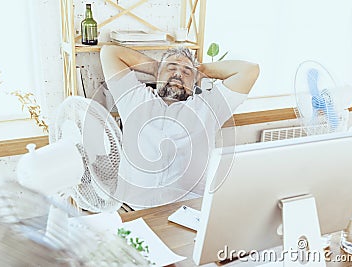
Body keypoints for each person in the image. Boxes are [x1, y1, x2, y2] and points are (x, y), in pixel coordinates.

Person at [100, 45, 259, 208]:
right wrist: (156, 67)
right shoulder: (134, 99)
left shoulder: (208, 108)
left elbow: (249, 71)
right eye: (171, 68)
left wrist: (201, 70)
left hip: (187, 210)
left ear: (195, 81)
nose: (178, 74)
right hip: (133, 208)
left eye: (186, 72)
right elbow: (109, 53)